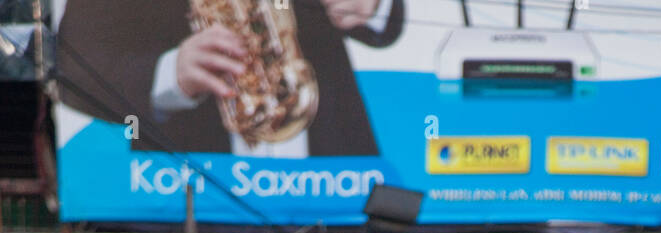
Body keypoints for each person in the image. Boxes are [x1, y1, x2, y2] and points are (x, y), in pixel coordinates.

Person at [56, 0, 404, 156]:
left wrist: (373, 4)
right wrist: (168, 75)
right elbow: (74, 71)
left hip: (335, 181)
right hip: (185, 196)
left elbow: (386, 26)